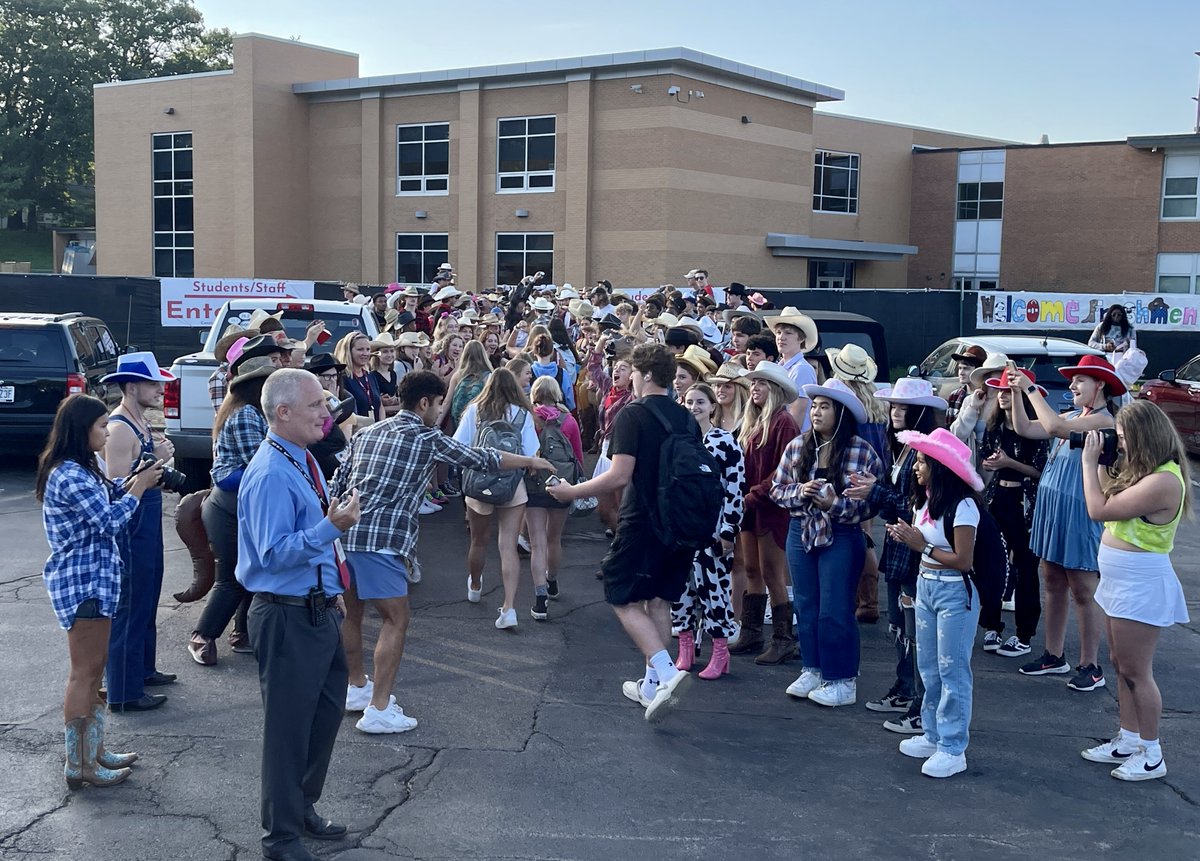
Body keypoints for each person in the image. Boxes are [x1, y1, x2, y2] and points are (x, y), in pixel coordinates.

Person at [332, 370, 553, 731]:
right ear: (424, 403)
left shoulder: (366, 432)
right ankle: (379, 708)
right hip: (384, 542)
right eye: (437, 404)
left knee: (352, 615)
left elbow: (339, 483)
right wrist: (531, 461)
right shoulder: (426, 437)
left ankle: (355, 686)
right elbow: (483, 458)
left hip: (344, 536)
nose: (439, 411)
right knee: (395, 619)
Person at [235, 368, 362, 860]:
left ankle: (301, 807)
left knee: (323, 720)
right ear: (282, 412)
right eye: (316, 406)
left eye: (325, 404)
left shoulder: (301, 458)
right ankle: (280, 837)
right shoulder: (269, 472)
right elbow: (271, 554)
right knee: (288, 733)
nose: (326, 412)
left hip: (318, 611)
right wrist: (330, 528)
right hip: (288, 616)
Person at [546, 343, 696, 723]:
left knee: (621, 594)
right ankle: (650, 685)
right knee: (658, 601)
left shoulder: (634, 414)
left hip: (643, 518)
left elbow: (619, 475)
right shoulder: (686, 417)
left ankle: (665, 672)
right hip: (680, 520)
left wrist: (570, 492)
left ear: (644, 375)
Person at [38, 395, 162, 789]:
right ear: (81, 429)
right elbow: (110, 521)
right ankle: (80, 765)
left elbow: (106, 497)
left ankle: (94, 751)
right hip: (83, 583)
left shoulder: (80, 468)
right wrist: (139, 488)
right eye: (101, 426)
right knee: (84, 673)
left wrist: (131, 480)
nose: (107, 432)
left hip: (95, 581)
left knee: (94, 673)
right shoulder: (69, 474)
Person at [1079, 400, 1190, 781]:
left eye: (1124, 438)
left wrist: (1089, 463)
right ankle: (1128, 739)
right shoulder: (1144, 473)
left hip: (1141, 582)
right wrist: (1109, 463)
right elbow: (1112, 496)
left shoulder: (1164, 480)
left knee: (1137, 671)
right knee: (1120, 665)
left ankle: (1153, 753)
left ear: (1144, 437)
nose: (1120, 444)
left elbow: (1097, 509)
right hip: (1121, 580)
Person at [1008, 355, 1121, 690]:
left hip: (1079, 511)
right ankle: (1054, 655)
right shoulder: (1075, 415)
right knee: (1053, 582)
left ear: (1099, 385)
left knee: (1083, 590)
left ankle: (1091, 665)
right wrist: (1014, 391)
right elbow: (1024, 428)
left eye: (1079, 380)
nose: (1072, 386)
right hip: (1054, 508)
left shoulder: (1102, 421)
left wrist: (1028, 387)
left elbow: (1054, 428)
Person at [772, 379, 883, 707]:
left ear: (841, 412)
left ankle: (841, 678)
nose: (816, 412)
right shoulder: (798, 446)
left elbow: (871, 502)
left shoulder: (861, 450)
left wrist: (833, 504)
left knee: (835, 607)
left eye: (825, 406)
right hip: (801, 530)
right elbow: (777, 489)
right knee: (806, 604)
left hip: (842, 534)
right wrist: (800, 491)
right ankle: (813, 668)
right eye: (815, 405)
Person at [846, 378, 946, 734]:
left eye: (904, 407)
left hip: (917, 552)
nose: (896, 413)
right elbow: (896, 501)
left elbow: (921, 508)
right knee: (901, 628)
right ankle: (906, 690)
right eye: (893, 407)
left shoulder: (928, 450)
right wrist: (873, 493)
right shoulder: (901, 447)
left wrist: (876, 493)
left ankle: (921, 706)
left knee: (917, 631)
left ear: (921, 412)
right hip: (899, 548)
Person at [884, 428, 985, 779]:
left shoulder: (964, 506)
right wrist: (907, 539)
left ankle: (953, 747)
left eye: (923, 461)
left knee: (952, 669)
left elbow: (963, 560)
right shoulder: (924, 501)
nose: (916, 466)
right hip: (926, 587)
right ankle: (933, 733)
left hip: (955, 591)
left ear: (941, 468)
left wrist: (919, 546)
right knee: (928, 666)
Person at [188, 356, 277, 667]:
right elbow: (262, 464)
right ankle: (202, 635)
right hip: (228, 506)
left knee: (250, 572)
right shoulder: (246, 415)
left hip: (236, 503)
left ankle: (242, 634)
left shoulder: (249, 412)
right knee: (232, 577)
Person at [101, 351, 177, 712]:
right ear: (131, 386)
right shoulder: (119, 428)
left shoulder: (140, 422)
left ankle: (142, 670)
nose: (161, 389)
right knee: (130, 604)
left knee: (147, 595)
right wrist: (155, 461)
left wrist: (158, 458)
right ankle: (124, 691)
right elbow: (118, 486)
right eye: (153, 383)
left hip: (147, 520)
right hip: (131, 526)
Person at [453, 368, 542, 629]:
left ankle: (476, 584)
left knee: (478, 541)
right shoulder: (522, 414)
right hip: (512, 485)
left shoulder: (475, 411)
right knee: (508, 546)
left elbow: (459, 446)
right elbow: (531, 453)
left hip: (479, 483)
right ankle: (509, 607)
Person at [672, 382, 744, 680]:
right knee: (680, 590)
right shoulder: (678, 441)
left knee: (715, 591)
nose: (694, 407)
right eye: (689, 402)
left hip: (713, 530)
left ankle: (719, 652)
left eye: (700, 402)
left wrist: (729, 529)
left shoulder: (725, 441)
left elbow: (736, 487)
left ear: (713, 406)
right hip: (681, 528)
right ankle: (686, 648)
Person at [731, 361, 800, 665]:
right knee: (751, 570)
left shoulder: (783, 422)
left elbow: (785, 471)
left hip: (771, 506)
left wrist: (753, 494)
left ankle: (784, 639)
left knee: (772, 573)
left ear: (774, 390)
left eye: (761, 383)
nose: (754, 388)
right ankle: (751, 632)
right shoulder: (752, 422)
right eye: (753, 383)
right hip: (749, 506)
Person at [978, 369, 1048, 657]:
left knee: (1025, 566)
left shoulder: (1035, 429)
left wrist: (1010, 462)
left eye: (1010, 391)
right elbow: (985, 457)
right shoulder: (994, 427)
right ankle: (992, 626)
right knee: (991, 562)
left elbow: (1039, 470)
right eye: (1002, 392)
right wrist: (993, 463)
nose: (1004, 396)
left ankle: (1024, 634)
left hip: (1024, 502)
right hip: (998, 498)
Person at [825, 344, 887, 623]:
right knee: (866, 536)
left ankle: (859, 598)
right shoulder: (875, 401)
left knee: (853, 537)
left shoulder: (846, 403)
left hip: (850, 471)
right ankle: (869, 600)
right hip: (874, 473)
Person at [526, 375, 585, 612]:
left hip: (534, 484)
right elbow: (578, 457)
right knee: (554, 539)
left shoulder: (530, 419)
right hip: (562, 483)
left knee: (537, 544)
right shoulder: (569, 421)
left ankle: (540, 599)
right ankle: (552, 580)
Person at [594, 356, 634, 538]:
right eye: (615, 367)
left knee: (620, 503)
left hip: (621, 450)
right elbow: (594, 368)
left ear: (633, 375)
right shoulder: (609, 390)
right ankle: (618, 531)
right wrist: (601, 344)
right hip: (605, 449)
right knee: (603, 507)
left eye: (623, 368)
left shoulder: (632, 398)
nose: (616, 371)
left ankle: (623, 540)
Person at [763, 306, 818, 431]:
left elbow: (796, 418)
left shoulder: (802, 369)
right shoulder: (778, 367)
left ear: (801, 338)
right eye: (778, 332)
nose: (781, 337)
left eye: (788, 333)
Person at [335, 332, 383, 425]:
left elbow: (380, 405)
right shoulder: (343, 378)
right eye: (360, 349)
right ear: (349, 351)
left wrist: (381, 426)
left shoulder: (370, 375)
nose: (365, 353)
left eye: (368, 349)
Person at [944, 345, 987, 422]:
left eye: (966, 369)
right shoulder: (955, 395)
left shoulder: (986, 396)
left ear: (978, 371)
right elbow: (949, 428)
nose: (961, 373)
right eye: (960, 368)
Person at [369, 333, 401, 417]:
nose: (389, 355)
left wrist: (395, 399)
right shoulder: (372, 375)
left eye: (391, 351)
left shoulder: (393, 374)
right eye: (385, 351)